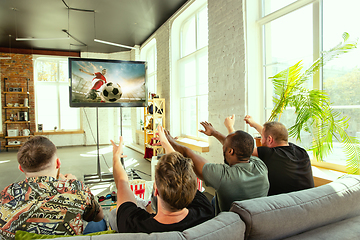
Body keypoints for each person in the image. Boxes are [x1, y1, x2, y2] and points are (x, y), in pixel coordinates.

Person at [110, 126, 214, 233]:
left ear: (155, 191)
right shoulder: (205, 210)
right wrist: (165, 142)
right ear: (193, 189)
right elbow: (122, 184)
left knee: (113, 215)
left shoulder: (132, 225)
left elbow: (122, 184)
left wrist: (116, 158)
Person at [0, 136, 104, 239]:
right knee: (99, 223)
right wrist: (71, 184)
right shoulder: (77, 188)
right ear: (58, 163)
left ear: (21, 168)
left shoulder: (4, 194)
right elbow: (98, 216)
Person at [163, 120, 269, 215]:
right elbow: (240, 146)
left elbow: (188, 153)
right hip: (256, 217)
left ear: (230, 151)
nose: (223, 147)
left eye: (224, 147)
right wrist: (214, 133)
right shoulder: (260, 165)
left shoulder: (224, 176)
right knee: (214, 199)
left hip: (230, 225)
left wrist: (170, 141)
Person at [235, 114, 314, 196]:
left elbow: (241, 148)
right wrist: (254, 123)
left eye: (261, 137)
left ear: (269, 139)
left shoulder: (269, 154)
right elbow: (274, 133)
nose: (261, 140)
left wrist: (230, 127)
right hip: (309, 202)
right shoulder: (302, 152)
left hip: (283, 206)